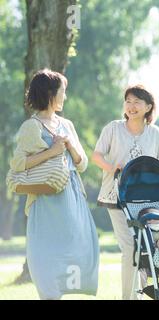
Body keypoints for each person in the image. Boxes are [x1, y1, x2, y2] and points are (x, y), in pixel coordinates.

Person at [9, 69, 99, 300]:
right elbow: (18, 163)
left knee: (77, 249)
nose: (65, 97)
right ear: (50, 94)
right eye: (62, 92)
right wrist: (51, 152)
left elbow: (83, 164)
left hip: (71, 196)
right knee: (44, 254)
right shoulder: (32, 126)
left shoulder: (66, 125)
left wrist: (70, 148)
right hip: (45, 199)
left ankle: (68, 288)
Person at [92, 84, 159, 300]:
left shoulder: (155, 134)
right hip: (115, 197)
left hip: (147, 201)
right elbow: (97, 155)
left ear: (148, 107)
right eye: (128, 101)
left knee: (145, 247)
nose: (131, 106)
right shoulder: (113, 128)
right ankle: (130, 298)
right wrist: (113, 168)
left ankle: (139, 294)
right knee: (130, 248)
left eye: (137, 102)